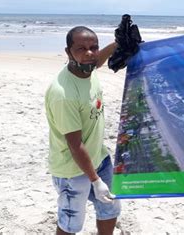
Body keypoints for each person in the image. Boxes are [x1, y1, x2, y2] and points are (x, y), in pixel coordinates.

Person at [45, 26, 121, 234]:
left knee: (111, 208)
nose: (89, 53)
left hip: (99, 158)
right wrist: (95, 181)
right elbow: (74, 144)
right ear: (68, 52)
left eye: (93, 47)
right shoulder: (63, 94)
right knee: (71, 223)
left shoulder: (86, 68)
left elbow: (97, 61)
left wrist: (118, 44)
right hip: (72, 169)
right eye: (81, 48)